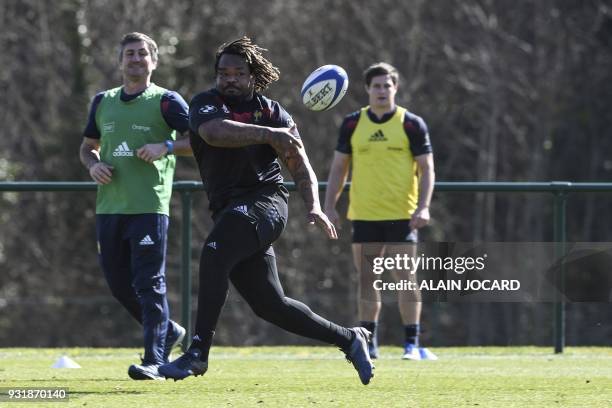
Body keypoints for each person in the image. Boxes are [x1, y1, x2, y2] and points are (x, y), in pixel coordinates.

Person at [159, 37, 374, 385]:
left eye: (237, 73)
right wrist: (269, 135)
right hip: (230, 210)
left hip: (266, 203)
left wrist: (315, 205)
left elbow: (298, 162)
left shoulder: (273, 112)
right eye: (223, 73)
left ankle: (198, 352)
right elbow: (215, 134)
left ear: (252, 76)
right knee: (271, 306)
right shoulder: (205, 105)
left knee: (214, 253)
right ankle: (350, 338)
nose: (229, 79)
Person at [79, 32, 192, 380]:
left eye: (142, 54)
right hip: (110, 208)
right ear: (120, 61)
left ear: (154, 61)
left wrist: (166, 147)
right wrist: (93, 164)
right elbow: (87, 146)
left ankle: (155, 360)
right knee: (118, 284)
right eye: (129, 54)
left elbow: (202, 139)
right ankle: (168, 331)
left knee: (149, 283)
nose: (136, 59)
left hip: (149, 206)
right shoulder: (103, 101)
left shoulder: (167, 101)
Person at [323, 62, 436, 361]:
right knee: (367, 279)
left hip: (402, 215)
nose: (382, 90)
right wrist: (328, 206)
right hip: (365, 214)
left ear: (395, 88)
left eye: (387, 85)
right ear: (367, 89)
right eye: (376, 86)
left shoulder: (411, 124)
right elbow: (338, 168)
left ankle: (411, 344)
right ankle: (368, 341)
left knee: (405, 278)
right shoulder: (352, 124)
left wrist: (424, 206)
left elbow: (427, 169)